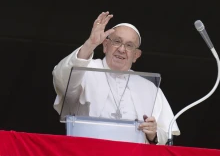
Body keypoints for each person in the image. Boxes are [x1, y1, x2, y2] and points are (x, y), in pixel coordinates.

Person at [52, 11, 180, 144]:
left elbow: (167, 134)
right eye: (117, 41)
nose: (122, 49)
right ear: (106, 46)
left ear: (136, 55)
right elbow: (62, 81)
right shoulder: (85, 70)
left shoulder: (149, 87)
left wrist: (154, 134)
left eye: (129, 45)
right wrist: (90, 44)